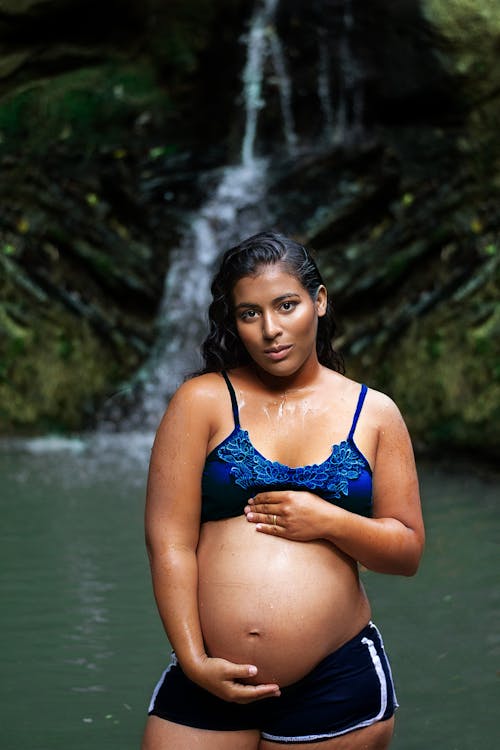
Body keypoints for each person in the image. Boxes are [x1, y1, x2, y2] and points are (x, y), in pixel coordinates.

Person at [141, 231, 425, 750]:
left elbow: (406, 551)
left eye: (287, 305)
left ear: (319, 302)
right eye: (250, 314)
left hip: (334, 679)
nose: (271, 330)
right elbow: (169, 544)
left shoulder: (376, 413)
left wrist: (330, 521)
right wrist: (192, 659)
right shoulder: (200, 401)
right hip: (207, 671)